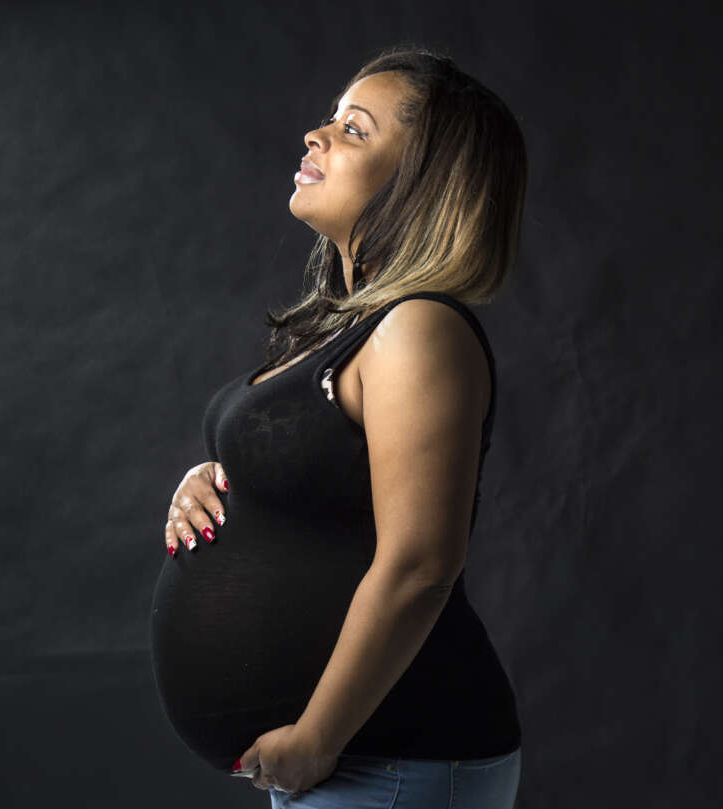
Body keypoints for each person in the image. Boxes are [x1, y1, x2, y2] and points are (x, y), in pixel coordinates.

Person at [147, 43, 528, 809]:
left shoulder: (418, 328)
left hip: (386, 761)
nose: (315, 137)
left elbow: (422, 562)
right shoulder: (342, 329)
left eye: (354, 129)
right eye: (329, 120)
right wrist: (218, 483)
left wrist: (316, 737)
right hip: (350, 768)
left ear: (424, 181)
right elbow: (325, 487)